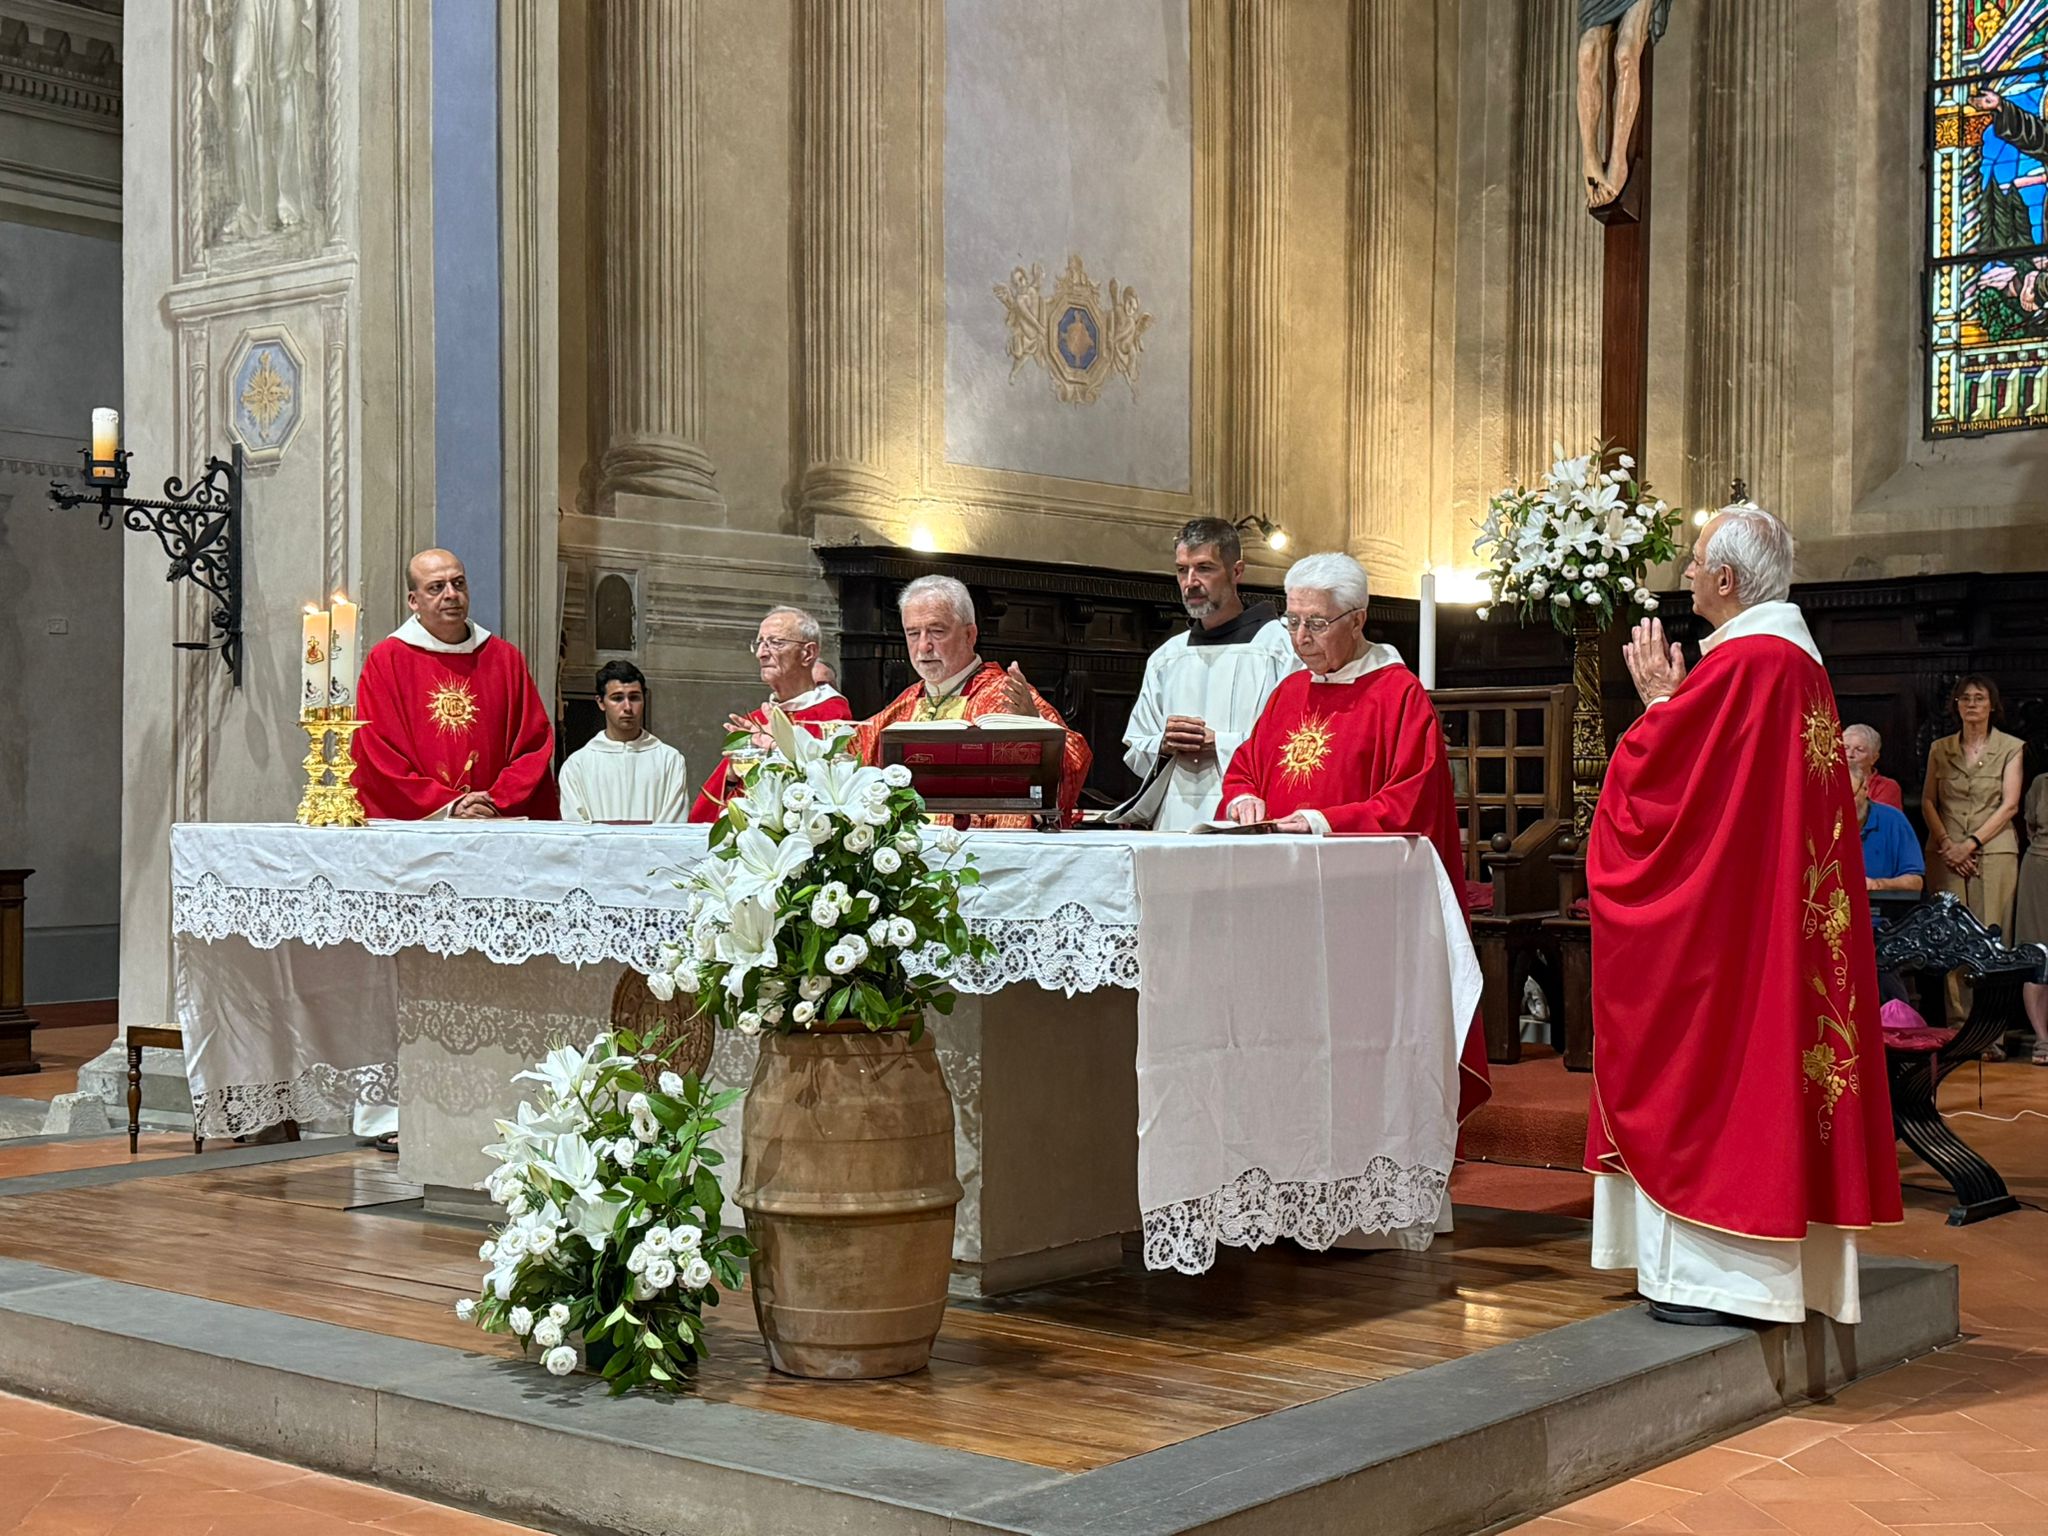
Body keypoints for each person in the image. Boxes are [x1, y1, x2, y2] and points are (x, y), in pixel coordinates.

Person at [1584, 504, 1901, 1327]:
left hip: (1731, 935)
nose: (1688, 574)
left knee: (1720, 1067)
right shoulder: (1793, 662)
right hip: (1772, 918)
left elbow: (1664, 798)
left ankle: (1718, 1279)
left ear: (1725, 580)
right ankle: (1758, 1275)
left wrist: (1659, 707)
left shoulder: (1746, 665)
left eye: (1695, 563)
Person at [1217, 551, 1489, 1118]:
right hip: (1282, 897)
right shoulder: (1290, 691)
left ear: (1358, 618)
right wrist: (1243, 796)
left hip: (1363, 906)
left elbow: (1411, 800)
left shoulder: (1397, 694)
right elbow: (1246, 763)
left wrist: (1323, 822)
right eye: (1292, 621)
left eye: (1316, 623)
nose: (1301, 638)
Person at [853, 574, 1091, 827]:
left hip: (982, 846)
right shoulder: (906, 703)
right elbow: (851, 752)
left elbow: (1074, 759)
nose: (923, 646)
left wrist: (1036, 727)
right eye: (913, 633)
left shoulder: (1006, 695)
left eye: (937, 632)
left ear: (969, 635)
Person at [354, 548, 558, 821]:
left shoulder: (504, 658)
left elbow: (533, 744)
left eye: (458, 583)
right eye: (436, 587)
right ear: (413, 601)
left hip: (495, 820)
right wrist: (448, 804)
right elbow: (378, 750)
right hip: (422, 825)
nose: (451, 594)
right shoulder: (387, 660)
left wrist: (494, 800)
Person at [1121, 518, 1297, 831]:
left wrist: (1221, 743)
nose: (1190, 582)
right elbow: (1136, 748)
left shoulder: (1280, 648)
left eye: (1204, 568)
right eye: (1182, 570)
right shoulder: (1167, 657)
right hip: (1173, 822)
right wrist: (1163, 745)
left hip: (1248, 816)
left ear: (1236, 572)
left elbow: (1295, 745)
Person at [1922, 674, 2025, 1027]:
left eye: (1979, 698)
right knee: (1951, 936)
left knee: (1992, 938)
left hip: (1993, 853)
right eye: (1964, 698)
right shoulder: (1940, 748)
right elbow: (1928, 802)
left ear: (1992, 705)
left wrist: (1970, 845)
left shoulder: (2012, 747)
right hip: (1945, 853)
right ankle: (1958, 1025)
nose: (1971, 704)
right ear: (1956, 705)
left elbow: (2010, 805)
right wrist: (1948, 844)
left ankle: (1990, 1032)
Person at [689, 607, 854, 823]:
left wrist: (778, 747)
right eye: (759, 643)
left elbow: (830, 796)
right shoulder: (756, 720)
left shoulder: (831, 716)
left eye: (775, 643)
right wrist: (732, 774)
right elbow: (703, 816)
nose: (761, 653)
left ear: (808, 653)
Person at [557, 661, 691, 824]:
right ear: (600, 702)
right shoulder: (577, 765)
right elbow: (576, 828)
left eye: (634, 698)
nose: (627, 707)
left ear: (644, 699)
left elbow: (673, 826)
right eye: (617, 698)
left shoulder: (669, 760)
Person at [2014, 769, 2048, 1066]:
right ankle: (2042, 1038)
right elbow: (2030, 827)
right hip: (2039, 869)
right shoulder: (2041, 783)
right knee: (2037, 952)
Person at [1842, 724, 1904, 811]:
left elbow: (1877, 816)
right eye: (1845, 748)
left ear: (1874, 758)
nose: (1849, 754)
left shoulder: (1886, 787)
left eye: (1859, 750)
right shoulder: (1828, 782)